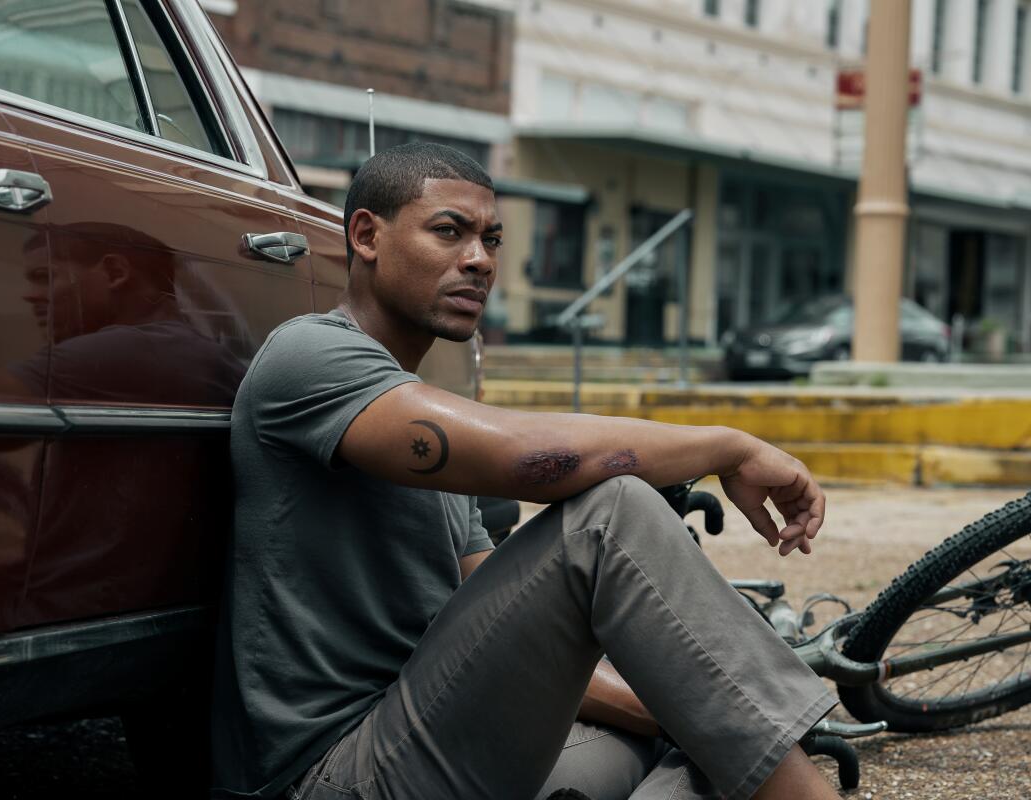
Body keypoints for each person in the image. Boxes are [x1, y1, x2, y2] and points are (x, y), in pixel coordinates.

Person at [211, 143, 840, 800]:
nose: (480, 260)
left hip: (431, 736)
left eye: (492, 239)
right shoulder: (310, 358)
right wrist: (729, 448)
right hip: (334, 774)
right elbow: (525, 457)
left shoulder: (412, 402)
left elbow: (492, 619)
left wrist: (710, 708)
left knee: (717, 745)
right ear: (367, 236)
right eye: (449, 231)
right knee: (611, 515)